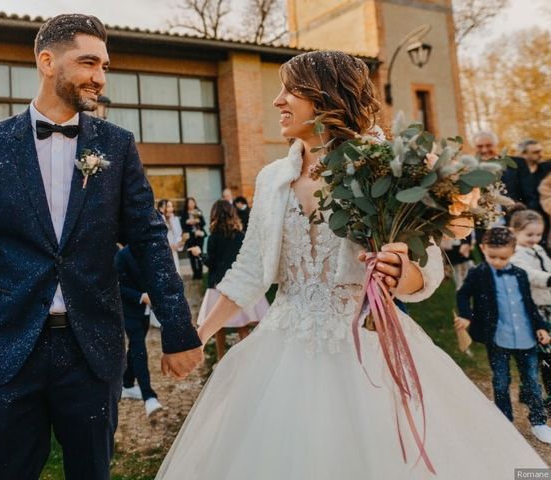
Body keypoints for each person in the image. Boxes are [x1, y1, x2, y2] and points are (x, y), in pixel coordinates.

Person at [156, 51, 547, 479]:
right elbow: (250, 270)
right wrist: (197, 336)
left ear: (327, 97)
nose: (277, 101)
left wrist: (402, 273)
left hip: (368, 352)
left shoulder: (386, 166)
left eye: (291, 90)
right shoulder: (272, 179)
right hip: (280, 348)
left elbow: (427, 269)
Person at [0, 14, 202, 480]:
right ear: (46, 60)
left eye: (105, 65)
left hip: (93, 353)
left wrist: (178, 327)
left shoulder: (118, 145)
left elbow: (148, 239)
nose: (100, 77)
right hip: (10, 350)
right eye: (88, 62)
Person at [456, 227, 551, 444]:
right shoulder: (477, 273)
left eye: (504, 257)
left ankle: (538, 422)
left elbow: (529, 304)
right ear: (482, 249)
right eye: (492, 256)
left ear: (513, 251)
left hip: (526, 338)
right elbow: (463, 295)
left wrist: (541, 327)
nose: (498, 261)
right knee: (501, 381)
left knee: (532, 382)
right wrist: (466, 316)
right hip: (498, 338)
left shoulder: (520, 273)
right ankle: (505, 422)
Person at [190, 200, 268, 360]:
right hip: (238, 282)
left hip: (218, 284)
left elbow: (211, 262)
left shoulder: (213, 238)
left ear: (215, 215)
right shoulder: (240, 235)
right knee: (242, 325)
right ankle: (250, 358)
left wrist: (199, 254)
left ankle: (219, 358)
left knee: (218, 327)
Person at [114, 245, 162, 417]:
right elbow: (117, 287)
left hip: (145, 312)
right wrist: (141, 297)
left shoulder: (151, 251)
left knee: (135, 348)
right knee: (139, 348)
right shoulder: (122, 256)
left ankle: (126, 384)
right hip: (129, 311)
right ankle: (148, 396)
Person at [509, 208, 551, 403]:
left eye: (539, 234)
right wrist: (548, 279)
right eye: (529, 235)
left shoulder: (538, 249)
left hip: (548, 305)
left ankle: (532, 392)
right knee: (541, 353)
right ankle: (534, 393)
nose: (535, 238)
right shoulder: (515, 254)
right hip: (535, 309)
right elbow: (527, 273)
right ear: (514, 232)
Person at [181, 197, 206, 280]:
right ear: (187, 204)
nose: (191, 204)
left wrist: (198, 221)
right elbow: (182, 225)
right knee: (192, 256)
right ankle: (195, 273)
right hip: (190, 237)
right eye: (189, 202)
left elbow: (203, 223)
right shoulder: (184, 213)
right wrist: (187, 222)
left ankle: (200, 273)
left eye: (193, 202)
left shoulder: (198, 211)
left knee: (199, 254)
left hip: (199, 237)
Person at [157, 199, 184, 275]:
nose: (171, 209)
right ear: (161, 208)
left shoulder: (174, 219)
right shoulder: (158, 220)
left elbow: (178, 234)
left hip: (173, 251)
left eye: (172, 206)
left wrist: (179, 244)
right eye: (168, 206)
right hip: (162, 252)